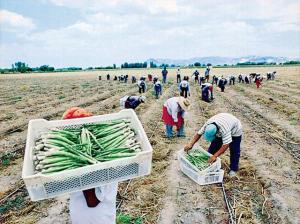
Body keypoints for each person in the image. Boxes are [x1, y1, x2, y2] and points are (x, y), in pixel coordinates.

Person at [62, 107, 118, 224]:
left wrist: (83, 165)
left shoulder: (98, 161)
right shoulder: (86, 154)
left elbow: (92, 201)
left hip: (96, 218)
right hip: (86, 215)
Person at [184, 113, 242, 177]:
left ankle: (233, 169)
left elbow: (226, 145)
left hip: (235, 130)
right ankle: (208, 166)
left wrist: (215, 156)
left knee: (234, 150)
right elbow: (199, 134)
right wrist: (191, 144)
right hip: (222, 122)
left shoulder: (224, 130)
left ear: (217, 133)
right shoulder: (208, 124)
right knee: (213, 147)